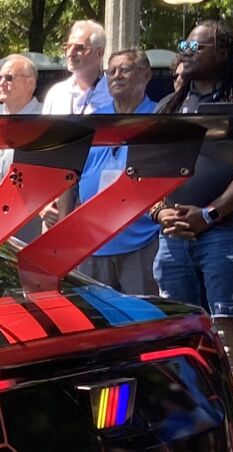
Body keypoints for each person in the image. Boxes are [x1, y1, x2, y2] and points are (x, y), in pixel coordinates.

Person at [150, 19, 233, 441]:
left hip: (222, 229)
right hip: (175, 232)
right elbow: (147, 173)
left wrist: (212, 213)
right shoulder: (170, 105)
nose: (185, 50)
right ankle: (193, 406)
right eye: (183, 43)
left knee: (229, 316)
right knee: (181, 325)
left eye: (195, 45)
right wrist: (159, 213)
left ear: (222, 53)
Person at [57, 49, 161, 293]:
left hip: (141, 238)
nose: (116, 76)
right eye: (111, 71)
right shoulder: (92, 120)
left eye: (124, 70)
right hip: (91, 241)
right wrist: (64, 227)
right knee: (96, 319)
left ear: (146, 75)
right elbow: (69, 175)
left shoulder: (160, 117)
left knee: (141, 320)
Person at [41, 20, 113, 114]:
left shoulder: (113, 94)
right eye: (68, 47)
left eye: (79, 48)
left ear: (100, 53)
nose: (70, 53)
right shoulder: (56, 94)